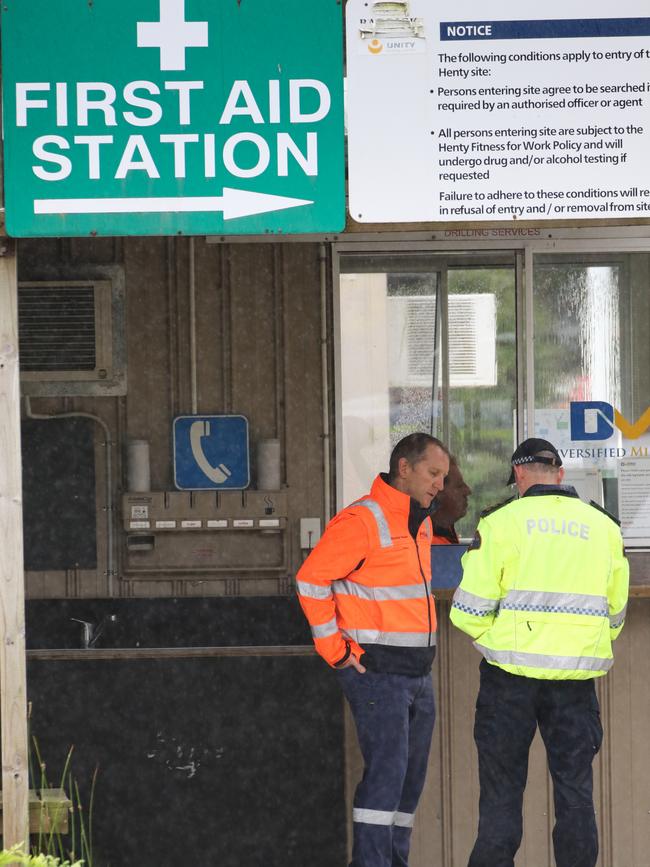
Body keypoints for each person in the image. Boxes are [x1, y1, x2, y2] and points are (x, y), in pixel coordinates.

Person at [450, 438, 629, 867]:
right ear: (561, 475)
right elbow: (615, 614)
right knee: (574, 797)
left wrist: (506, 639)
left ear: (518, 476)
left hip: (508, 683)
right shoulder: (604, 527)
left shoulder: (501, 523)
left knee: (501, 797)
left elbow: (468, 612)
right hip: (574, 684)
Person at [296, 432, 450, 867]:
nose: (440, 484)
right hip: (376, 672)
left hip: (418, 673)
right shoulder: (363, 520)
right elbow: (310, 579)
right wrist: (335, 650)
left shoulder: (418, 522)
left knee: (407, 785)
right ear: (404, 468)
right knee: (387, 778)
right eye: (433, 473)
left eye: (444, 476)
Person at [431, 455, 472, 544]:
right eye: (459, 486)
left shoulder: (446, 534)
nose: (468, 491)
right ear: (437, 492)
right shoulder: (428, 545)